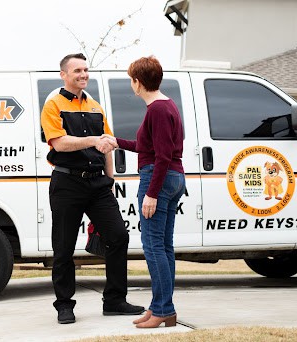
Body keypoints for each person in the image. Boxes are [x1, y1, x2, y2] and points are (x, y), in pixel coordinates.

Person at [40, 53, 144, 324]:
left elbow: (107, 144)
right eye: (77, 70)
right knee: (63, 247)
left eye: (86, 70)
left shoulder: (96, 106)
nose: (83, 74)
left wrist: (110, 181)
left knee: (119, 236)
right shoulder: (53, 105)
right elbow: (59, 143)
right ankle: (65, 305)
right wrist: (92, 141)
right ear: (64, 74)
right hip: (67, 183)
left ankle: (114, 300)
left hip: (98, 184)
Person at [102, 55, 185, 328]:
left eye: (131, 80)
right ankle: (161, 307)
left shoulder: (157, 110)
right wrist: (116, 142)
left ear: (138, 82)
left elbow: (161, 156)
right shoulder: (166, 105)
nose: (131, 84)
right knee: (164, 246)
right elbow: (145, 145)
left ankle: (163, 308)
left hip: (159, 178)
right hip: (173, 177)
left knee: (153, 247)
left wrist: (151, 193)